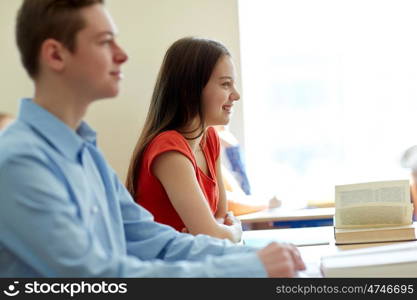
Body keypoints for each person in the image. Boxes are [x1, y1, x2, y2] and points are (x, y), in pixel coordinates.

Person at [0, 0, 305, 277]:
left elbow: (155, 240)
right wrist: (247, 266)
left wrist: (256, 256)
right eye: (106, 42)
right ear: (55, 55)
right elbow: (95, 277)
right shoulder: (18, 162)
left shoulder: (87, 154)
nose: (122, 54)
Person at [126, 37, 246, 243]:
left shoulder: (210, 139)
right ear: (191, 89)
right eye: (226, 84)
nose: (235, 95)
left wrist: (216, 231)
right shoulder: (169, 150)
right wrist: (235, 231)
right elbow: (215, 234)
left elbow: (220, 217)